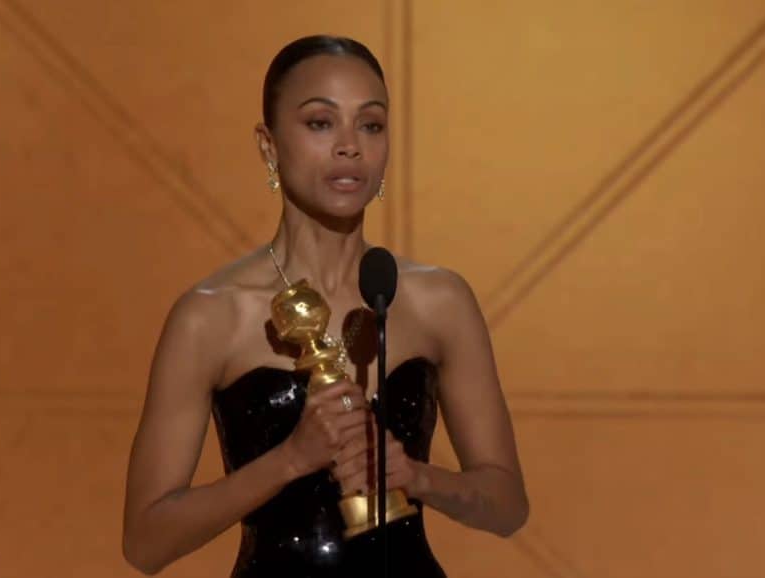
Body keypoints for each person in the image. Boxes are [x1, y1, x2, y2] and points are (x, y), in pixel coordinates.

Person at [121, 35, 528, 577]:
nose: (349, 146)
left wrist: (418, 477)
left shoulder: (440, 302)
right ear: (268, 145)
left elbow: (507, 506)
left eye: (371, 125)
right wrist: (290, 460)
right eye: (320, 123)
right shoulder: (210, 317)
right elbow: (146, 543)